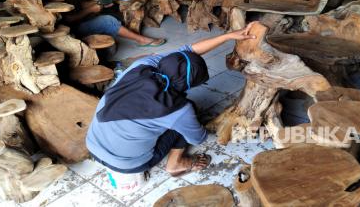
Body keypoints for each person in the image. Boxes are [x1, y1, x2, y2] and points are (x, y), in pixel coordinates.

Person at [86, 23, 256, 193]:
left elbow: (188, 49)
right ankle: (176, 164)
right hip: (129, 164)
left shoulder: (145, 64)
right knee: (188, 116)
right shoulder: (179, 109)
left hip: (92, 145)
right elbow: (198, 138)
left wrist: (227, 36)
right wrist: (200, 126)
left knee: (161, 120)